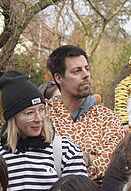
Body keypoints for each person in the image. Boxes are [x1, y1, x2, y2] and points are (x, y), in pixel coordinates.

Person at [0, 69, 87, 191]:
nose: (39, 118)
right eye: (29, 113)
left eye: (41, 109)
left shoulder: (65, 150)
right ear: (13, 118)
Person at [44, 45, 125, 182]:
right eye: (76, 71)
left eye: (87, 69)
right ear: (59, 77)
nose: (86, 75)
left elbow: (109, 165)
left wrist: (65, 162)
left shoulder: (107, 118)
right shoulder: (44, 116)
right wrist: (89, 158)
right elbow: (39, 163)